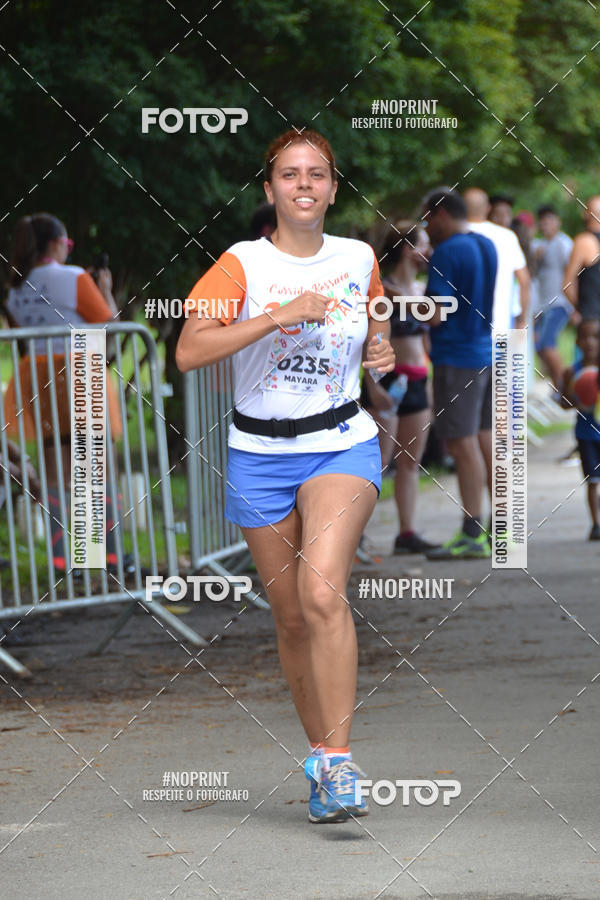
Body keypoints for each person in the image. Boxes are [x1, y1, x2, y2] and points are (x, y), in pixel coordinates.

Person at [176, 130, 394, 823]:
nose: (305, 185)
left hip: (341, 443)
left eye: (318, 174)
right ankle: (320, 758)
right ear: (269, 190)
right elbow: (189, 350)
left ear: (333, 188)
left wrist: (381, 343)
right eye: (290, 175)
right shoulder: (243, 263)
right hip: (257, 456)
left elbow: (373, 312)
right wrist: (278, 315)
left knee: (322, 591)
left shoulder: (358, 256)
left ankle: (340, 762)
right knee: (293, 617)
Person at [3, 213, 123, 573]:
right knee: (96, 470)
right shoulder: (73, 277)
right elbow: (111, 324)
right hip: (81, 373)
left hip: (39, 381)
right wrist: (104, 288)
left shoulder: (15, 287)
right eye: (68, 244)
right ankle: (105, 558)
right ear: (57, 244)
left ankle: (62, 562)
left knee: (55, 473)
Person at [418, 188, 497, 560]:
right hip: (484, 350)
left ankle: (471, 531)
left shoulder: (447, 252)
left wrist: (397, 306)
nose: (425, 227)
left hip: (456, 355)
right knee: (483, 440)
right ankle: (502, 529)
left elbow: (435, 312)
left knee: (462, 445)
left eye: (427, 219)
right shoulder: (486, 244)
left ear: (442, 214)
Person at [360, 219, 438, 555]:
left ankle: (406, 533)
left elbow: (427, 334)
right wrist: (371, 384)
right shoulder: (382, 289)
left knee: (411, 461)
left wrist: (430, 382)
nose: (428, 251)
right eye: (423, 244)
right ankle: (354, 534)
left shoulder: (421, 289)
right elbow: (367, 339)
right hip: (387, 380)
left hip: (418, 379)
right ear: (408, 249)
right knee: (378, 461)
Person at [464, 187, 530, 331]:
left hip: (464, 330)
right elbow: (524, 281)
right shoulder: (508, 237)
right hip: (501, 325)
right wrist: (522, 319)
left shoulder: (453, 235)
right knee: (506, 354)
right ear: (488, 208)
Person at [560, 320, 600, 539]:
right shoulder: (572, 372)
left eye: (595, 337)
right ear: (577, 342)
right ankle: (596, 525)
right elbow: (563, 402)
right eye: (585, 337)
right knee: (592, 480)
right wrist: (577, 400)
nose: (590, 342)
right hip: (585, 435)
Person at [532, 205, 573, 388]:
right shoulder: (540, 245)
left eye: (549, 220)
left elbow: (575, 273)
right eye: (542, 221)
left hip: (559, 303)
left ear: (558, 222)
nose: (545, 224)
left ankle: (564, 389)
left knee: (547, 344)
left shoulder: (564, 243)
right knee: (538, 346)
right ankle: (557, 386)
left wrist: (575, 304)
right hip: (542, 306)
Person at [563, 195, 600, 322]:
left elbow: (567, 284)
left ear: (586, 214)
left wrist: (580, 308)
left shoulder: (584, 241)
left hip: (591, 320)